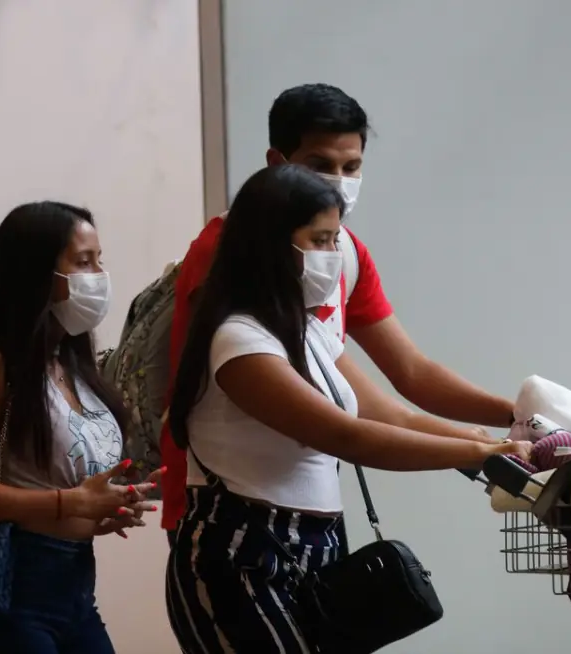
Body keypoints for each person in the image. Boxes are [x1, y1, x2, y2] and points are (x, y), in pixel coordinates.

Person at [164, 164, 530, 653]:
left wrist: (494, 438)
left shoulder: (307, 329)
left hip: (315, 549)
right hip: (243, 553)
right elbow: (346, 436)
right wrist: (478, 455)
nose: (333, 256)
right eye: (319, 240)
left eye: (336, 240)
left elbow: (394, 416)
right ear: (268, 244)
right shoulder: (239, 340)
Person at [159, 82, 516, 544]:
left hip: (310, 504)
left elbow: (408, 375)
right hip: (232, 503)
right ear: (278, 164)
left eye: (352, 167)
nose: (340, 182)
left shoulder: (343, 256)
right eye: (321, 165)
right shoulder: (231, 262)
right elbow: (345, 433)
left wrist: (513, 421)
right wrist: (474, 452)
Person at [0, 202, 164, 654]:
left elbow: (55, 484)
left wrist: (107, 505)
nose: (98, 275)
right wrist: (71, 502)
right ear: (35, 274)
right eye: (82, 262)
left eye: (100, 260)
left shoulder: (73, 365)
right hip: (9, 591)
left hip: (75, 586)